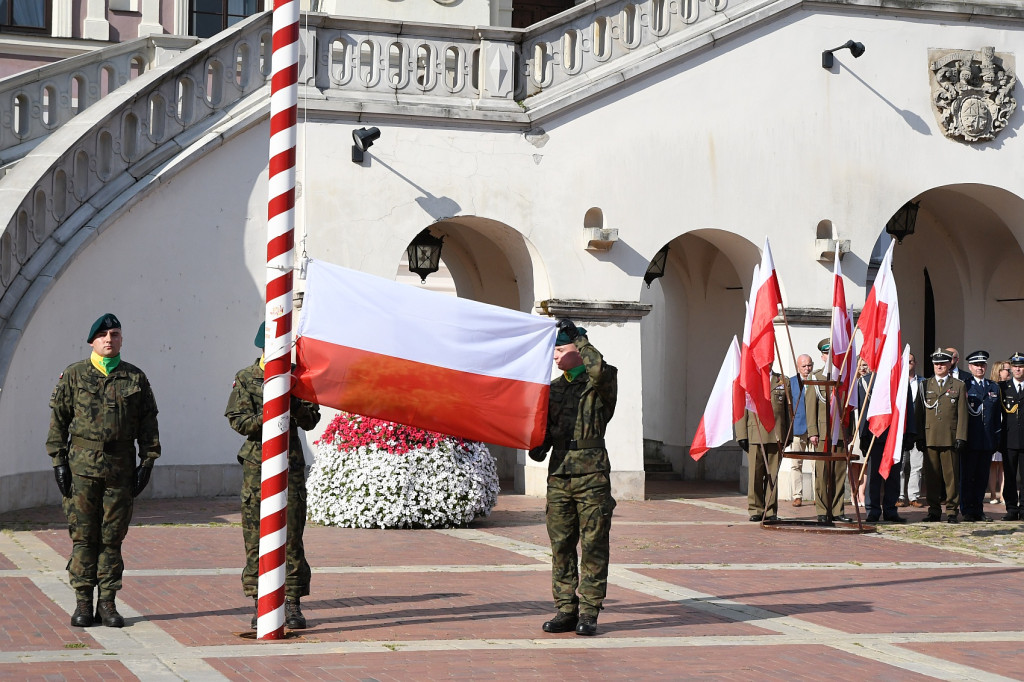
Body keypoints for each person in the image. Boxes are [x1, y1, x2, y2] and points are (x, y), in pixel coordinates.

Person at [46, 314, 160, 628]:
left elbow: (148, 423)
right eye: (103, 335)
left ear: (121, 339)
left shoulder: (135, 378)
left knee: (112, 538)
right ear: (92, 342)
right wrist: (58, 462)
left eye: (115, 334)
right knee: (83, 537)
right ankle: (83, 602)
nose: (109, 339)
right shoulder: (74, 375)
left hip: (120, 470)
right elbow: (59, 421)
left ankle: (107, 604)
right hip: (81, 470)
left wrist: (147, 462)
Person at [225, 322, 320, 630]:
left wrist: (291, 397)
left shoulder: (300, 378)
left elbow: (311, 419)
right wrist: (270, 412)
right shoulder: (246, 377)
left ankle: (292, 602)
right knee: (256, 539)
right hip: (258, 467)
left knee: (291, 537)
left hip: (290, 466)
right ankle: (260, 601)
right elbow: (237, 420)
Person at [529, 319, 617, 637]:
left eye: (561, 349)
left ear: (579, 350)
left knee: (593, 543)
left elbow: (596, 368)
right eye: (554, 349)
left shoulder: (602, 382)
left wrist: (580, 338)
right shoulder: (554, 389)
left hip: (592, 475)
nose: (555, 355)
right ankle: (566, 609)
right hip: (559, 474)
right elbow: (547, 434)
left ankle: (590, 612)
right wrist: (536, 443)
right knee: (561, 544)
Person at [806, 338, 853, 523]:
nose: (830, 357)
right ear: (822, 357)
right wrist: (812, 432)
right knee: (822, 474)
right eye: (827, 354)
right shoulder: (816, 378)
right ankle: (822, 510)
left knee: (839, 473)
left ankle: (837, 510)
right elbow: (811, 408)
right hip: (823, 434)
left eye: (833, 354)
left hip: (840, 432)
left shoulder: (844, 378)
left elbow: (850, 407)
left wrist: (850, 431)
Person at [859, 366, 913, 524]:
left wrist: (910, 433)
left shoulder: (901, 382)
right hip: (874, 435)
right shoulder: (866, 382)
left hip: (895, 435)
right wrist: (863, 436)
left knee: (894, 476)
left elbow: (908, 407)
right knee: (873, 476)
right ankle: (872, 510)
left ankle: (890, 509)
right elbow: (862, 411)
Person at [735, 371, 790, 522]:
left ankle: (770, 510)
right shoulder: (749, 378)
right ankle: (756, 509)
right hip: (755, 433)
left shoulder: (782, 380)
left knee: (773, 475)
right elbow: (740, 407)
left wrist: (788, 435)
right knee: (755, 474)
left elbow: (787, 410)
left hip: (776, 433)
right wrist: (741, 435)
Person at [920, 347, 967, 523]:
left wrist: (961, 436)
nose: (939, 366)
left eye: (942, 363)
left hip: (950, 437)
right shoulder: (925, 385)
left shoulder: (959, 386)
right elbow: (920, 413)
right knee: (931, 477)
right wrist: (919, 437)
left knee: (951, 477)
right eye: (936, 363)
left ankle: (952, 510)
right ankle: (933, 510)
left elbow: (962, 414)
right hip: (930, 436)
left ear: (950, 364)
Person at [960, 350, 1001, 522]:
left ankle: (979, 509)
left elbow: (996, 416)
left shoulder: (993, 387)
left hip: (986, 440)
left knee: (982, 477)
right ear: (970, 367)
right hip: (970, 439)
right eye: (976, 365)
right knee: (968, 476)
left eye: (982, 365)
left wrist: (996, 439)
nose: (980, 368)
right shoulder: (965, 385)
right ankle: (967, 510)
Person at [998, 352, 1024, 521]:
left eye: (1020, 367)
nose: (1017, 369)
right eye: (1015, 367)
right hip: (1009, 439)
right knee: (1010, 476)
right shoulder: (1002, 388)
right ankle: (1012, 508)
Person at [898, 353, 927, 508]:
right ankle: (900, 495)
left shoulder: (924, 382)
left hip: (917, 429)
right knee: (900, 464)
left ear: (915, 363)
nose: (908, 364)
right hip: (901, 430)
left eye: (910, 361)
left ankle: (913, 496)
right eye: (905, 362)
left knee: (917, 465)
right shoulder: (896, 382)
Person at [787, 354, 814, 507]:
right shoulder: (791, 383)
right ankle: (797, 495)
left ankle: (819, 494)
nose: (807, 369)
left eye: (809, 365)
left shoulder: (817, 381)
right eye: (804, 366)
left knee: (816, 464)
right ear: (798, 366)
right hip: (797, 428)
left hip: (813, 429)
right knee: (796, 464)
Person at [988, 360, 1010, 506]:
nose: (1009, 372)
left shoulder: (1010, 388)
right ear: (998, 371)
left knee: (1003, 465)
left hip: (1005, 429)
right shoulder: (992, 387)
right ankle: (993, 494)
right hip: (993, 429)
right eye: (1006, 370)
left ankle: (1002, 494)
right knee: (992, 464)